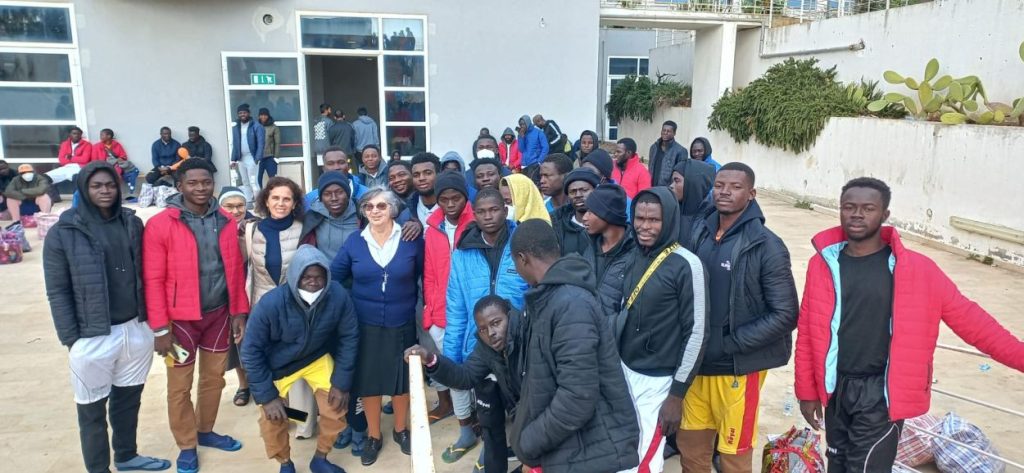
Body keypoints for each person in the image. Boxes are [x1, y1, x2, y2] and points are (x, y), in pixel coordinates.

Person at [795, 177, 1024, 472]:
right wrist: (807, 391)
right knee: (837, 465)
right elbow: (808, 331)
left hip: (881, 394)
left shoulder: (918, 269)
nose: (857, 214)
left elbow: (975, 324)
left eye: (868, 208)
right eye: (849, 207)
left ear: (885, 214)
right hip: (836, 388)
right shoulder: (823, 264)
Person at [43, 161, 171, 473]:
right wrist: (72, 339)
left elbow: (148, 273)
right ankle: (99, 468)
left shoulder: (132, 223)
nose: (105, 191)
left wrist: (153, 325)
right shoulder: (63, 233)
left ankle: (126, 456)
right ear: (84, 189)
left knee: (128, 400)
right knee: (91, 410)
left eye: (111, 185)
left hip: (135, 328)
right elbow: (57, 290)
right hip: (92, 336)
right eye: (97, 186)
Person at [681, 162, 798, 472]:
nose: (725, 192)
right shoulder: (700, 231)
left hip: (738, 369)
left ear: (751, 194)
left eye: (735, 187)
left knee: (733, 456)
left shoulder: (767, 245)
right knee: (691, 449)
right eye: (719, 185)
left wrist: (729, 344)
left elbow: (786, 314)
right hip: (697, 364)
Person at [143, 159, 250, 473]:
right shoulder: (161, 224)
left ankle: (205, 430)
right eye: (192, 183)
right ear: (179, 186)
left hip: (218, 315)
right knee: (179, 386)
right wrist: (160, 328)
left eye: (206, 182)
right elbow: (152, 279)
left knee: (214, 378)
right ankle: (187, 445)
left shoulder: (226, 220)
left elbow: (235, 270)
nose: (201, 188)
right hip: (180, 322)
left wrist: (238, 311)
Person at [508, 219, 640, 473]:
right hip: (571, 447)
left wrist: (529, 442)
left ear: (522, 259)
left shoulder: (570, 304)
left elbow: (577, 397)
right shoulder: (550, 298)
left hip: (591, 451)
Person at [241, 246, 359, 473]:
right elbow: (250, 351)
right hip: (278, 365)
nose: (313, 282)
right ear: (295, 276)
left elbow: (350, 337)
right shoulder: (270, 304)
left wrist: (341, 383)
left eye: (319, 277)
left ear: (327, 276)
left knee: (335, 408)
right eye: (306, 277)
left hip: (315, 357)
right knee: (272, 418)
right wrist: (267, 397)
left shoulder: (338, 296)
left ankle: (320, 458)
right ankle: (285, 462)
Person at [331, 188, 423, 466]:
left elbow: (423, 274)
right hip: (365, 323)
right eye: (369, 206)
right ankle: (373, 435)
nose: (375, 211)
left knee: (401, 380)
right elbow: (334, 276)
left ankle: (401, 429)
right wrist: (346, 307)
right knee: (369, 382)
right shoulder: (354, 242)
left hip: (402, 321)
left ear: (393, 209)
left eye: (381, 206)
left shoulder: (411, 239)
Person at [619, 187, 709, 473]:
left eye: (654, 220)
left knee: (644, 460)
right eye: (640, 218)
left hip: (658, 381)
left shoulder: (687, 265)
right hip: (624, 371)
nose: (644, 226)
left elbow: (697, 332)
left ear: (669, 220)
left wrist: (676, 395)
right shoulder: (633, 255)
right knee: (621, 453)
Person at [444, 187, 529, 466]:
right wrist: (451, 357)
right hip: (480, 350)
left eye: (494, 210)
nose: (488, 216)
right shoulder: (462, 253)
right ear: (474, 214)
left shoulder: (522, 244)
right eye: (481, 211)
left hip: (519, 349)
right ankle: (491, 458)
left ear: (505, 210)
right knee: (489, 417)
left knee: (525, 414)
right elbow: (456, 308)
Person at [405, 295, 524, 473]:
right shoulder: (486, 347)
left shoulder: (529, 334)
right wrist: (431, 359)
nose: (491, 333)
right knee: (491, 429)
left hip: (539, 413)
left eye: (496, 323)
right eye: (483, 329)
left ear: (509, 316)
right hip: (513, 403)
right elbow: (465, 376)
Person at [421, 171, 474, 425]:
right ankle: (460, 414)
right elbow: (429, 273)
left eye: (456, 198)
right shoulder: (433, 228)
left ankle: (476, 414)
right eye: (444, 199)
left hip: (471, 312)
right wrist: (429, 311)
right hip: (441, 313)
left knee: (471, 365)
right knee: (450, 365)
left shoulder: (476, 223)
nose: (450, 204)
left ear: (465, 197)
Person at [581, 183, 634, 316]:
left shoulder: (634, 253)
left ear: (607, 215)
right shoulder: (588, 244)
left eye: (591, 212)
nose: (584, 217)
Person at [302, 172, 360, 260]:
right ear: (321, 198)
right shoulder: (313, 217)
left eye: (339, 192)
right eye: (327, 194)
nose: (334, 198)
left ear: (348, 194)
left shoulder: (362, 215)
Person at [550, 168, 599, 257]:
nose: (578, 195)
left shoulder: (605, 223)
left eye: (584, 190)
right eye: (573, 192)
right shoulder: (557, 223)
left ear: (595, 190)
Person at [669, 159, 716, 248]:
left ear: (693, 182)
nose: (671, 186)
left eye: (677, 181)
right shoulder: (671, 211)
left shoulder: (713, 218)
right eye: (672, 181)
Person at [230, 104, 265, 202]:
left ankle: (258, 203)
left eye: (244, 112)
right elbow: (235, 144)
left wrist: (257, 158)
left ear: (249, 113)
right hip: (241, 159)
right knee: (245, 182)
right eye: (240, 113)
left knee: (253, 182)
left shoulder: (257, 126)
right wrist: (233, 159)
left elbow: (261, 143)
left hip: (252, 158)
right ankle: (249, 201)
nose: (242, 114)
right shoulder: (236, 127)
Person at [92, 128, 139, 198]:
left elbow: (123, 156)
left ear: (109, 136)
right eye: (100, 135)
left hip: (116, 166)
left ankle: (117, 193)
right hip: (102, 167)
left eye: (102, 135)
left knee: (118, 171)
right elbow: (94, 160)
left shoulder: (117, 145)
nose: (100, 137)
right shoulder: (96, 146)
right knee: (113, 174)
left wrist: (118, 159)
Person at [402, 152, 440, 224]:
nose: (421, 178)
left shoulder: (451, 207)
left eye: (428, 173)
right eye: (416, 175)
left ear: (438, 174)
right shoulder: (406, 211)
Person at [648, 121, 688, 187]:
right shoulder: (654, 147)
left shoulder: (681, 151)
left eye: (668, 131)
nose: (665, 133)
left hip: (667, 190)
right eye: (664, 130)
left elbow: (680, 175)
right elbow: (650, 167)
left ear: (674, 133)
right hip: (651, 187)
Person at [516, 115, 548, 181]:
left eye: (523, 124)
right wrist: (521, 137)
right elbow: (521, 149)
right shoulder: (521, 134)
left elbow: (545, 147)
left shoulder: (538, 132)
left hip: (535, 163)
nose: (522, 126)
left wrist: (539, 161)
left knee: (535, 183)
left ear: (528, 123)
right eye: (520, 124)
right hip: (524, 164)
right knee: (526, 184)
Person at [259, 108, 281, 185]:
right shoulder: (256, 126)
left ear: (268, 116)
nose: (263, 117)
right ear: (259, 116)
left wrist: (276, 157)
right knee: (257, 180)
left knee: (273, 181)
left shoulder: (273, 127)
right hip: (258, 158)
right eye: (261, 115)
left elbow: (277, 142)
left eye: (265, 115)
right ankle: (259, 193)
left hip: (270, 158)